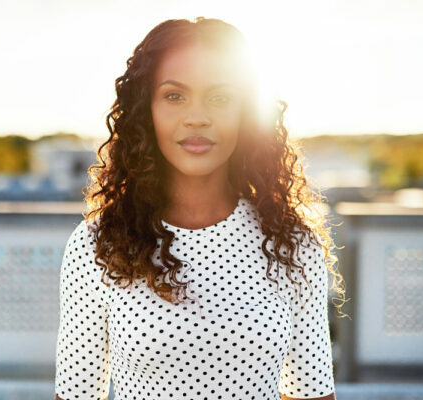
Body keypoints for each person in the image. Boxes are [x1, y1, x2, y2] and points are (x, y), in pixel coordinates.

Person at [55, 16, 346, 400]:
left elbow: (312, 394)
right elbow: (76, 395)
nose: (197, 117)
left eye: (220, 97)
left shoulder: (293, 245)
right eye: (175, 95)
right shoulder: (98, 245)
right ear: (147, 110)